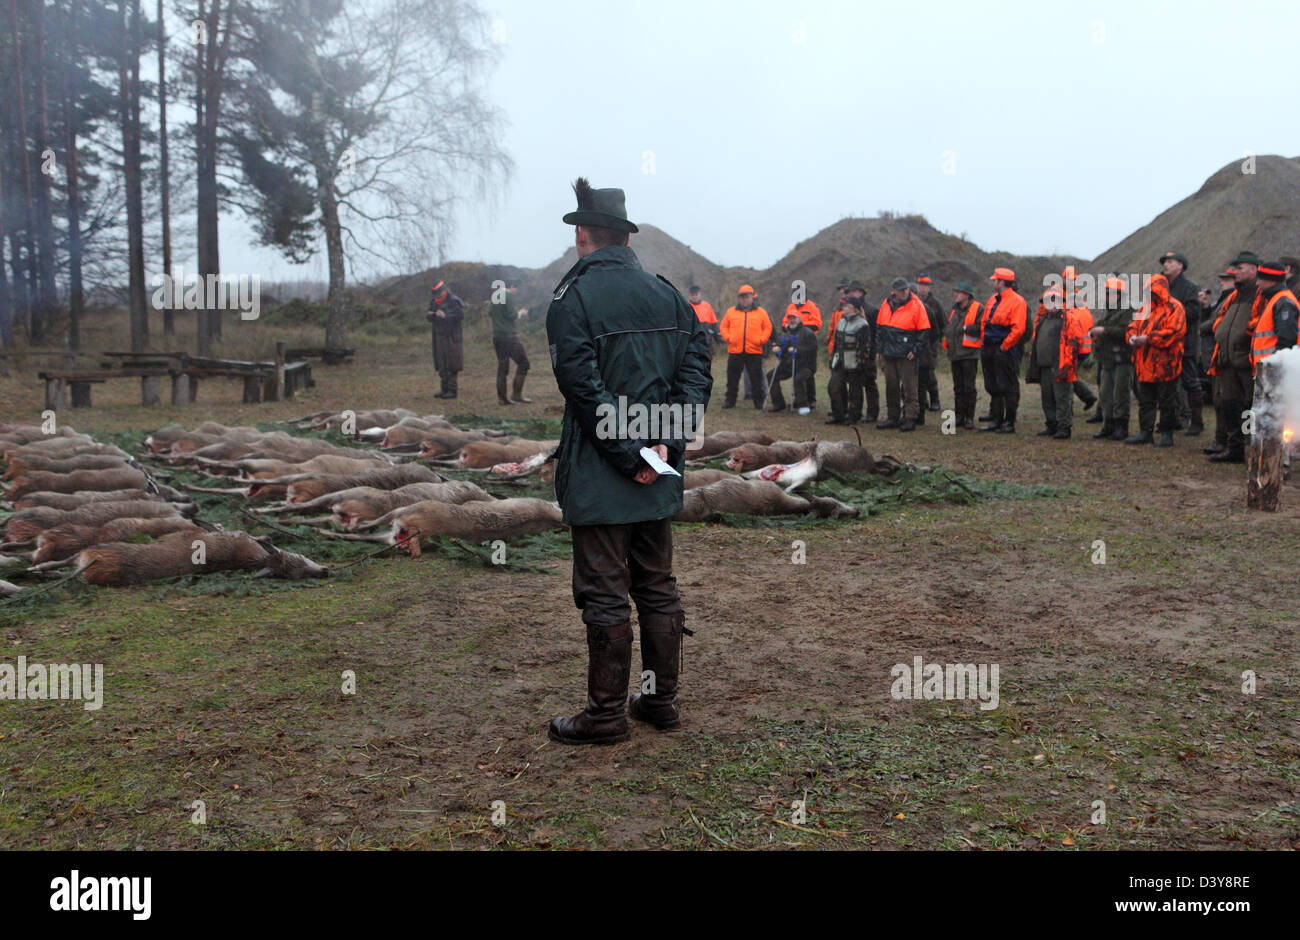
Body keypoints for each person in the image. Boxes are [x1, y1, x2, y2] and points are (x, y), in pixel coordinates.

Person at [544, 177, 712, 746]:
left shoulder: (574, 300)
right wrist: (663, 444)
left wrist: (628, 450)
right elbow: (695, 379)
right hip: (656, 470)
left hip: (602, 475)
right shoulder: (670, 297)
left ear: (584, 235)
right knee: (657, 585)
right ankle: (660, 701)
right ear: (625, 236)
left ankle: (606, 715)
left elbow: (581, 388)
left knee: (606, 592)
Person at [1205, 252, 1262, 463]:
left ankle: (1257, 450)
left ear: (1254, 269)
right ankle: (1235, 449)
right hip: (1227, 361)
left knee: (1252, 407)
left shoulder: (1260, 294)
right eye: (1235, 268)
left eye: (1240, 268)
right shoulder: (1235, 295)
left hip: (1247, 363)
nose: (1235, 272)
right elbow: (1220, 319)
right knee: (1230, 405)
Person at [1125, 273, 1187, 447]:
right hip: (1143, 364)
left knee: (1167, 401)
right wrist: (1130, 337)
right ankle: (1145, 433)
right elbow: (1132, 326)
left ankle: (1167, 434)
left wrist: (1148, 338)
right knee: (1145, 401)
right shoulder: (1143, 308)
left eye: (1151, 290)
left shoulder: (1175, 307)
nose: (1149, 294)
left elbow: (1174, 332)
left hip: (1166, 365)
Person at [1026, 285, 1088, 439]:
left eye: (1055, 301)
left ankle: (1064, 427)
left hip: (1061, 366)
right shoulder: (1042, 320)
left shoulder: (1069, 319)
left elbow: (1075, 342)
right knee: (1047, 397)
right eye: (1049, 301)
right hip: (1044, 366)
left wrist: (1066, 364)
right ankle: (1051, 425)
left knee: (1062, 398)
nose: (1052, 305)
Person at [1158, 252, 1204, 434]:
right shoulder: (1160, 286)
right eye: (1165, 262)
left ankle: (1197, 422)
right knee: (1166, 384)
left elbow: (1194, 312)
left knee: (1190, 383)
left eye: (1170, 262)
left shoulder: (1190, 287)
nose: (1166, 265)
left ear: (1180, 266)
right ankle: (1171, 420)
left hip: (1185, 344)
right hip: (1165, 344)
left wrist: (1171, 314)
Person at [875, 277, 929, 432]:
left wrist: (915, 350)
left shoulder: (917, 305)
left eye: (906, 289)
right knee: (891, 386)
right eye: (901, 290)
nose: (905, 292)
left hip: (906, 355)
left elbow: (924, 331)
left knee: (910, 388)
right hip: (889, 353)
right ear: (894, 291)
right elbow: (879, 328)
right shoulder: (886, 304)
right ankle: (893, 417)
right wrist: (879, 350)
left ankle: (910, 418)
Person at [979, 268, 1028, 433]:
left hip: (1004, 350)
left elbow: (1018, 329)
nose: (993, 282)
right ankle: (996, 419)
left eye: (995, 280)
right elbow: (984, 322)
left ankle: (1009, 422)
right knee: (993, 385)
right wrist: (984, 342)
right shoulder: (992, 299)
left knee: (1008, 386)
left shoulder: (1017, 301)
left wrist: (1004, 347)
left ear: (1002, 282)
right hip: (989, 347)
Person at [1089, 276, 1136, 440]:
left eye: (1109, 293)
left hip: (1122, 359)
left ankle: (1121, 428)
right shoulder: (1110, 312)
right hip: (1107, 360)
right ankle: (1108, 426)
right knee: (1105, 394)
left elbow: (1127, 332)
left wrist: (1104, 330)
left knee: (1120, 394)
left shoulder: (1128, 311)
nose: (1106, 296)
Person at [1201, 268, 1238, 456]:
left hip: (1224, 357)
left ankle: (1226, 441)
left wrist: (1202, 327)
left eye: (1227, 279)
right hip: (1216, 355)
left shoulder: (1233, 299)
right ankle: (1222, 439)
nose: (1222, 282)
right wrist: (1206, 308)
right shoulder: (1226, 299)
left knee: (1225, 400)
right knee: (1219, 399)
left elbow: (1216, 323)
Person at [719, 284, 772, 409]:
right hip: (735, 350)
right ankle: (730, 401)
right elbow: (723, 326)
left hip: (754, 351)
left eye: (747, 297)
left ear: (752, 297)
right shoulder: (731, 312)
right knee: (732, 378)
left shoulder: (761, 312)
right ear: (739, 298)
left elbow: (768, 327)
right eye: (742, 297)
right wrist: (728, 338)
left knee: (756, 379)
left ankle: (758, 402)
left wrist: (761, 340)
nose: (744, 299)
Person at [825, 292, 873, 425]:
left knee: (855, 391)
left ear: (855, 308)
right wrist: (832, 360)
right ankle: (838, 415)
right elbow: (836, 344)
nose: (844, 307)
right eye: (844, 305)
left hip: (854, 363)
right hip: (839, 362)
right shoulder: (840, 322)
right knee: (833, 387)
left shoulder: (862, 325)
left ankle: (854, 416)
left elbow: (865, 347)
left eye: (847, 305)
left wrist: (861, 364)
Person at [942, 281, 982, 429]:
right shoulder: (955, 310)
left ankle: (969, 417)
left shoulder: (978, 308)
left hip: (969, 354)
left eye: (958, 292)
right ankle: (959, 416)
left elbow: (981, 327)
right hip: (955, 354)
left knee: (968, 388)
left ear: (966, 295)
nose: (955, 294)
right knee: (958, 388)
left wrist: (965, 328)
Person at [1249, 260, 1300, 366]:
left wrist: (1275, 365)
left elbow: (1287, 339)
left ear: (1270, 281)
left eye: (1260, 279)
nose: (1257, 283)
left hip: (1274, 369)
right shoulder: (1276, 299)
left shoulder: (1283, 301)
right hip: (1269, 367)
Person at [768, 310, 818, 414]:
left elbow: (813, 350)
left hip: (805, 366)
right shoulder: (786, 334)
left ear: (799, 319)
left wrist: (798, 350)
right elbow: (783, 354)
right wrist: (778, 350)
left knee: (798, 379)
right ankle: (778, 403)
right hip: (788, 365)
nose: (792, 320)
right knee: (771, 375)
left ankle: (803, 405)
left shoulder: (808, 333)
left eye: (794, 318)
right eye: (789, 318)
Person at [491, 279, 531, 405]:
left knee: (502, 366)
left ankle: (502, 399)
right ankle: (516, 395)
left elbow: (490, 313)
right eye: (516, 289)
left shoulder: (495, 295)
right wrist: (520, 313)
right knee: (524, 363)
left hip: (497, 336)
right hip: (508, 337)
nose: (516, 292)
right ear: (512, 286)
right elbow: (511, 316)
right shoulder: (508, 296)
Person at [427, 279, 465, 399]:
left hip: (452, 337)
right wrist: (432, 315)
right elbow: (428, 315)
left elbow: (460, 316)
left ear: (443, 291)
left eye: (439, 293)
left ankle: (452, 390)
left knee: (452, 364)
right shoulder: (433, 301)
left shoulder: (454, 301)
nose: (437, 296)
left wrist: (446, 316)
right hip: (439, 336)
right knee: (441, 363)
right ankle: (444, 389)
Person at [915, 276, 945, 414]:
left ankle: (935, 400)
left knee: (930, 375)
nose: (923, 288)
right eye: (921, 285)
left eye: (926, 285)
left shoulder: (935, 304)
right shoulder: (913, 301)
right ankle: (923, 401)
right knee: (916, 375)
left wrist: (937, 343)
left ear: (930, 287)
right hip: (916, 345)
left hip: (930, 346)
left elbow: (943, 325)